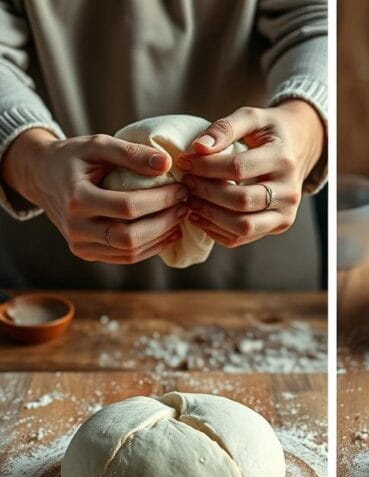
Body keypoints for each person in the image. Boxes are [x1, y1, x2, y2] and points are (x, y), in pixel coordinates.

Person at [0, 0, 327, 289]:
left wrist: (304, 126)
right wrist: (33, 162)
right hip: (56, 278)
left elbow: (315, 18)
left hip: (262, 271)